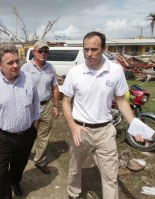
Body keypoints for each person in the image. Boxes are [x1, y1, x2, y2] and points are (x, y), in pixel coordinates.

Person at [61, 31, 138, 199]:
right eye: (86, 49)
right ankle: (73, 194)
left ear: (104, 48)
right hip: (80, 130)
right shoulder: (75, 72)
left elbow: (121, 101)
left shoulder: (116, 70)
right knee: (75, 169)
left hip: (105, 131)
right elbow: (65, 101)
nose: (89, 54)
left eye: (94, 49)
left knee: (111, 175)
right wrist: (72, 125)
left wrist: (134, 124)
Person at [0, 44, 40, 199]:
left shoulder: (29, 79)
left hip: (26, 134)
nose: (16, 66)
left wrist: (33, 130)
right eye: (10, 63)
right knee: (1, 170)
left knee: (20, 164)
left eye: (17, 61)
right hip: (1, 135)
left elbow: (36, 106)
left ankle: (15, 181)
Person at [21, 40, 60, 174]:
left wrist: (56, 106)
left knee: (44, 135)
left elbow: (55, 88)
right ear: (34, 52)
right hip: (31, 107)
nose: (43, 53)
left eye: (46, 51)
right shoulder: (26, 68)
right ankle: (22, 158)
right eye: (40, 51)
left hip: (47, 105)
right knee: (29, 134)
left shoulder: (50, 68)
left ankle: (40, 161)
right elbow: (19, 88)